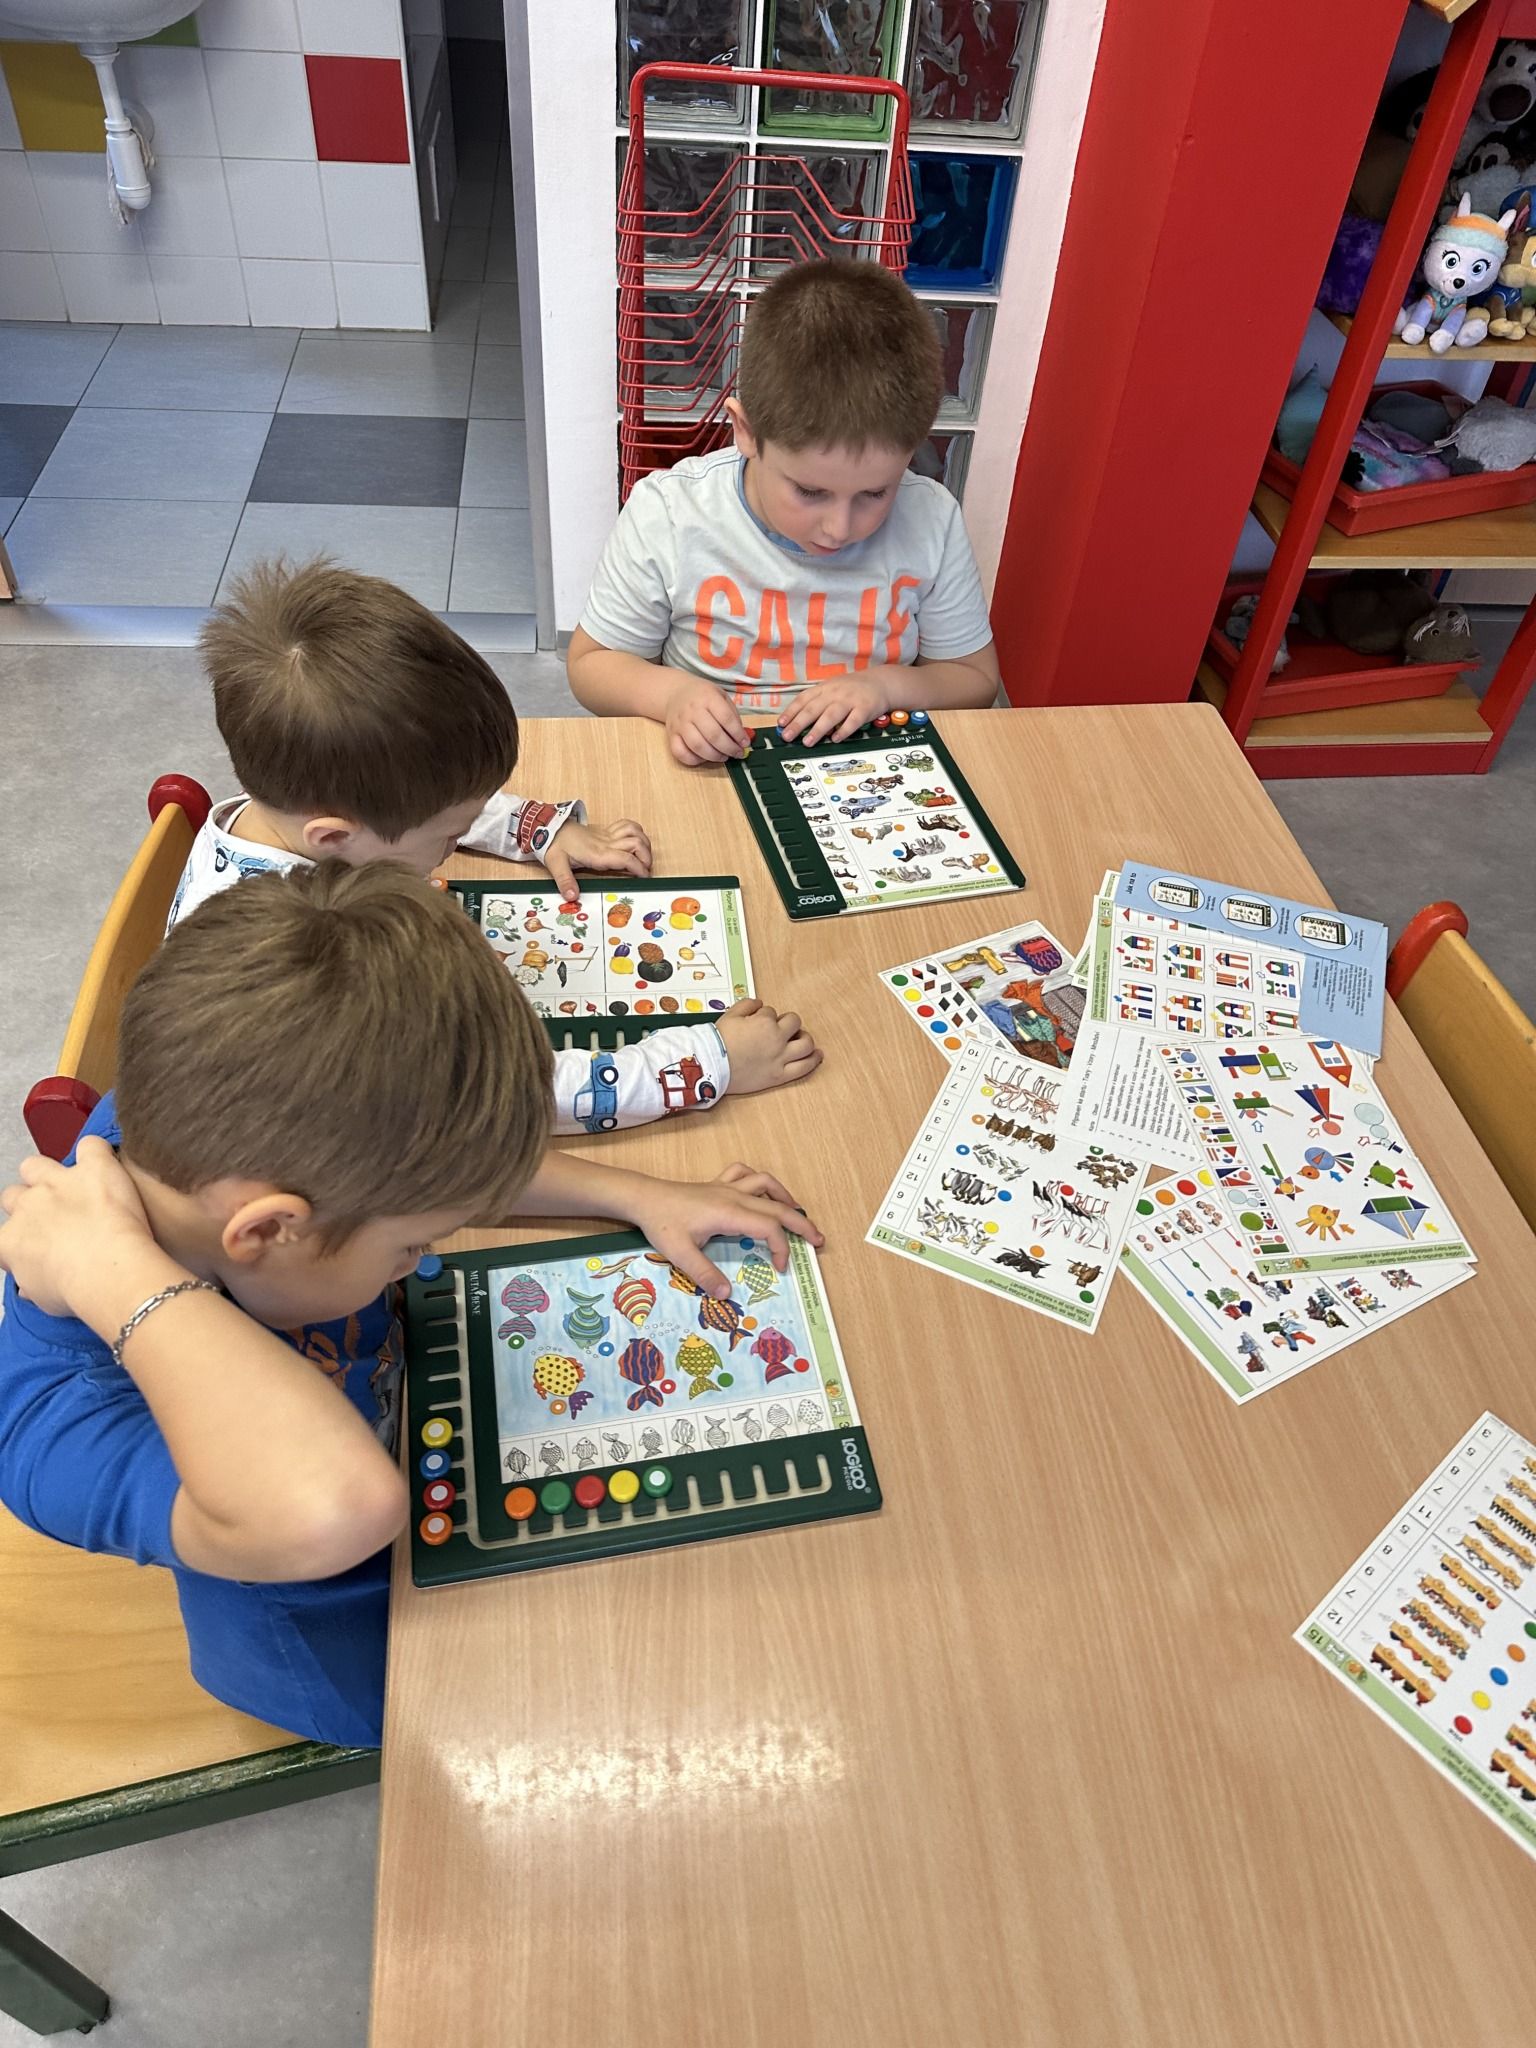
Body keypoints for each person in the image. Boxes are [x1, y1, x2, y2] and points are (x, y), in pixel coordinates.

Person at [0, 865, 823, 1748]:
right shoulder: (57, 1415)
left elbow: (416, 1166)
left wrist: (640, 1194)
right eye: (412, 1248)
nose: (422, 1257)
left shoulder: (210, 1117)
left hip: (429, 1455)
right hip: (370, 1655)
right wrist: (121, 1279)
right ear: (269, 1229)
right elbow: (335, 1508)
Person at [175, 558, 819, 1132]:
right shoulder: (313, 977)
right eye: (451, 835)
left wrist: (536, 827)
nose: (458, 837)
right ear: (335, 837)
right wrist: (707, 1062)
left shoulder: (285, 807)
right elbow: (494, 1098)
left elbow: (417, 796)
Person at [567, 258, 1001, 766]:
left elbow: (975, 679)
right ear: (746, 432)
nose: (839, 528)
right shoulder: (669, 514)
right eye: (811, 492)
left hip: (866, 765)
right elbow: (591, 665)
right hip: (715, 761)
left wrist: (886, 687)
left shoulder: (932, 519)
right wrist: (672, 696)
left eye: (876, 493)